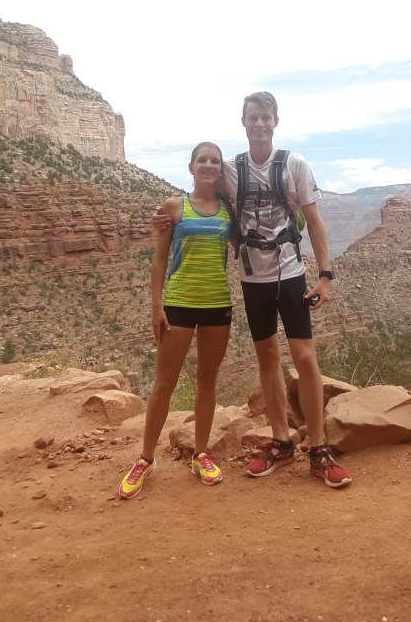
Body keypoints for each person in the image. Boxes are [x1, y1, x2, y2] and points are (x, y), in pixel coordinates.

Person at [153, 93, 351, 488]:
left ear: (275, 121)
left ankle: (319, 448)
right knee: (267, 358)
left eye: (265, 117)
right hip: (253, 280)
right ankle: (281, 442)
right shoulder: (230, 169)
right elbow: (199, 192)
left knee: (305, 357)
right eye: (253, 118)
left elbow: (314, 220)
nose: (259, 124)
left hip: (291, 274)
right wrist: (163, 217)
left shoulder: (294, 164)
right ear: (243, 122)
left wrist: (326, 275)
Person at [119, 142, 234, 499]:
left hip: (218, 303)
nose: (208, 165)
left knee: (207, 380)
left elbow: (247, 245)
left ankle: (201, 454)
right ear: (191, 167)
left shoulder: (229, 209)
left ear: (220, 169)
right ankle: (145, 459)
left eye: (215, 161)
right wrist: (157, 306)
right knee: (164, 383)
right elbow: (159, 259)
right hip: (180, 303)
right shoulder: (174, 207)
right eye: (202, 160)